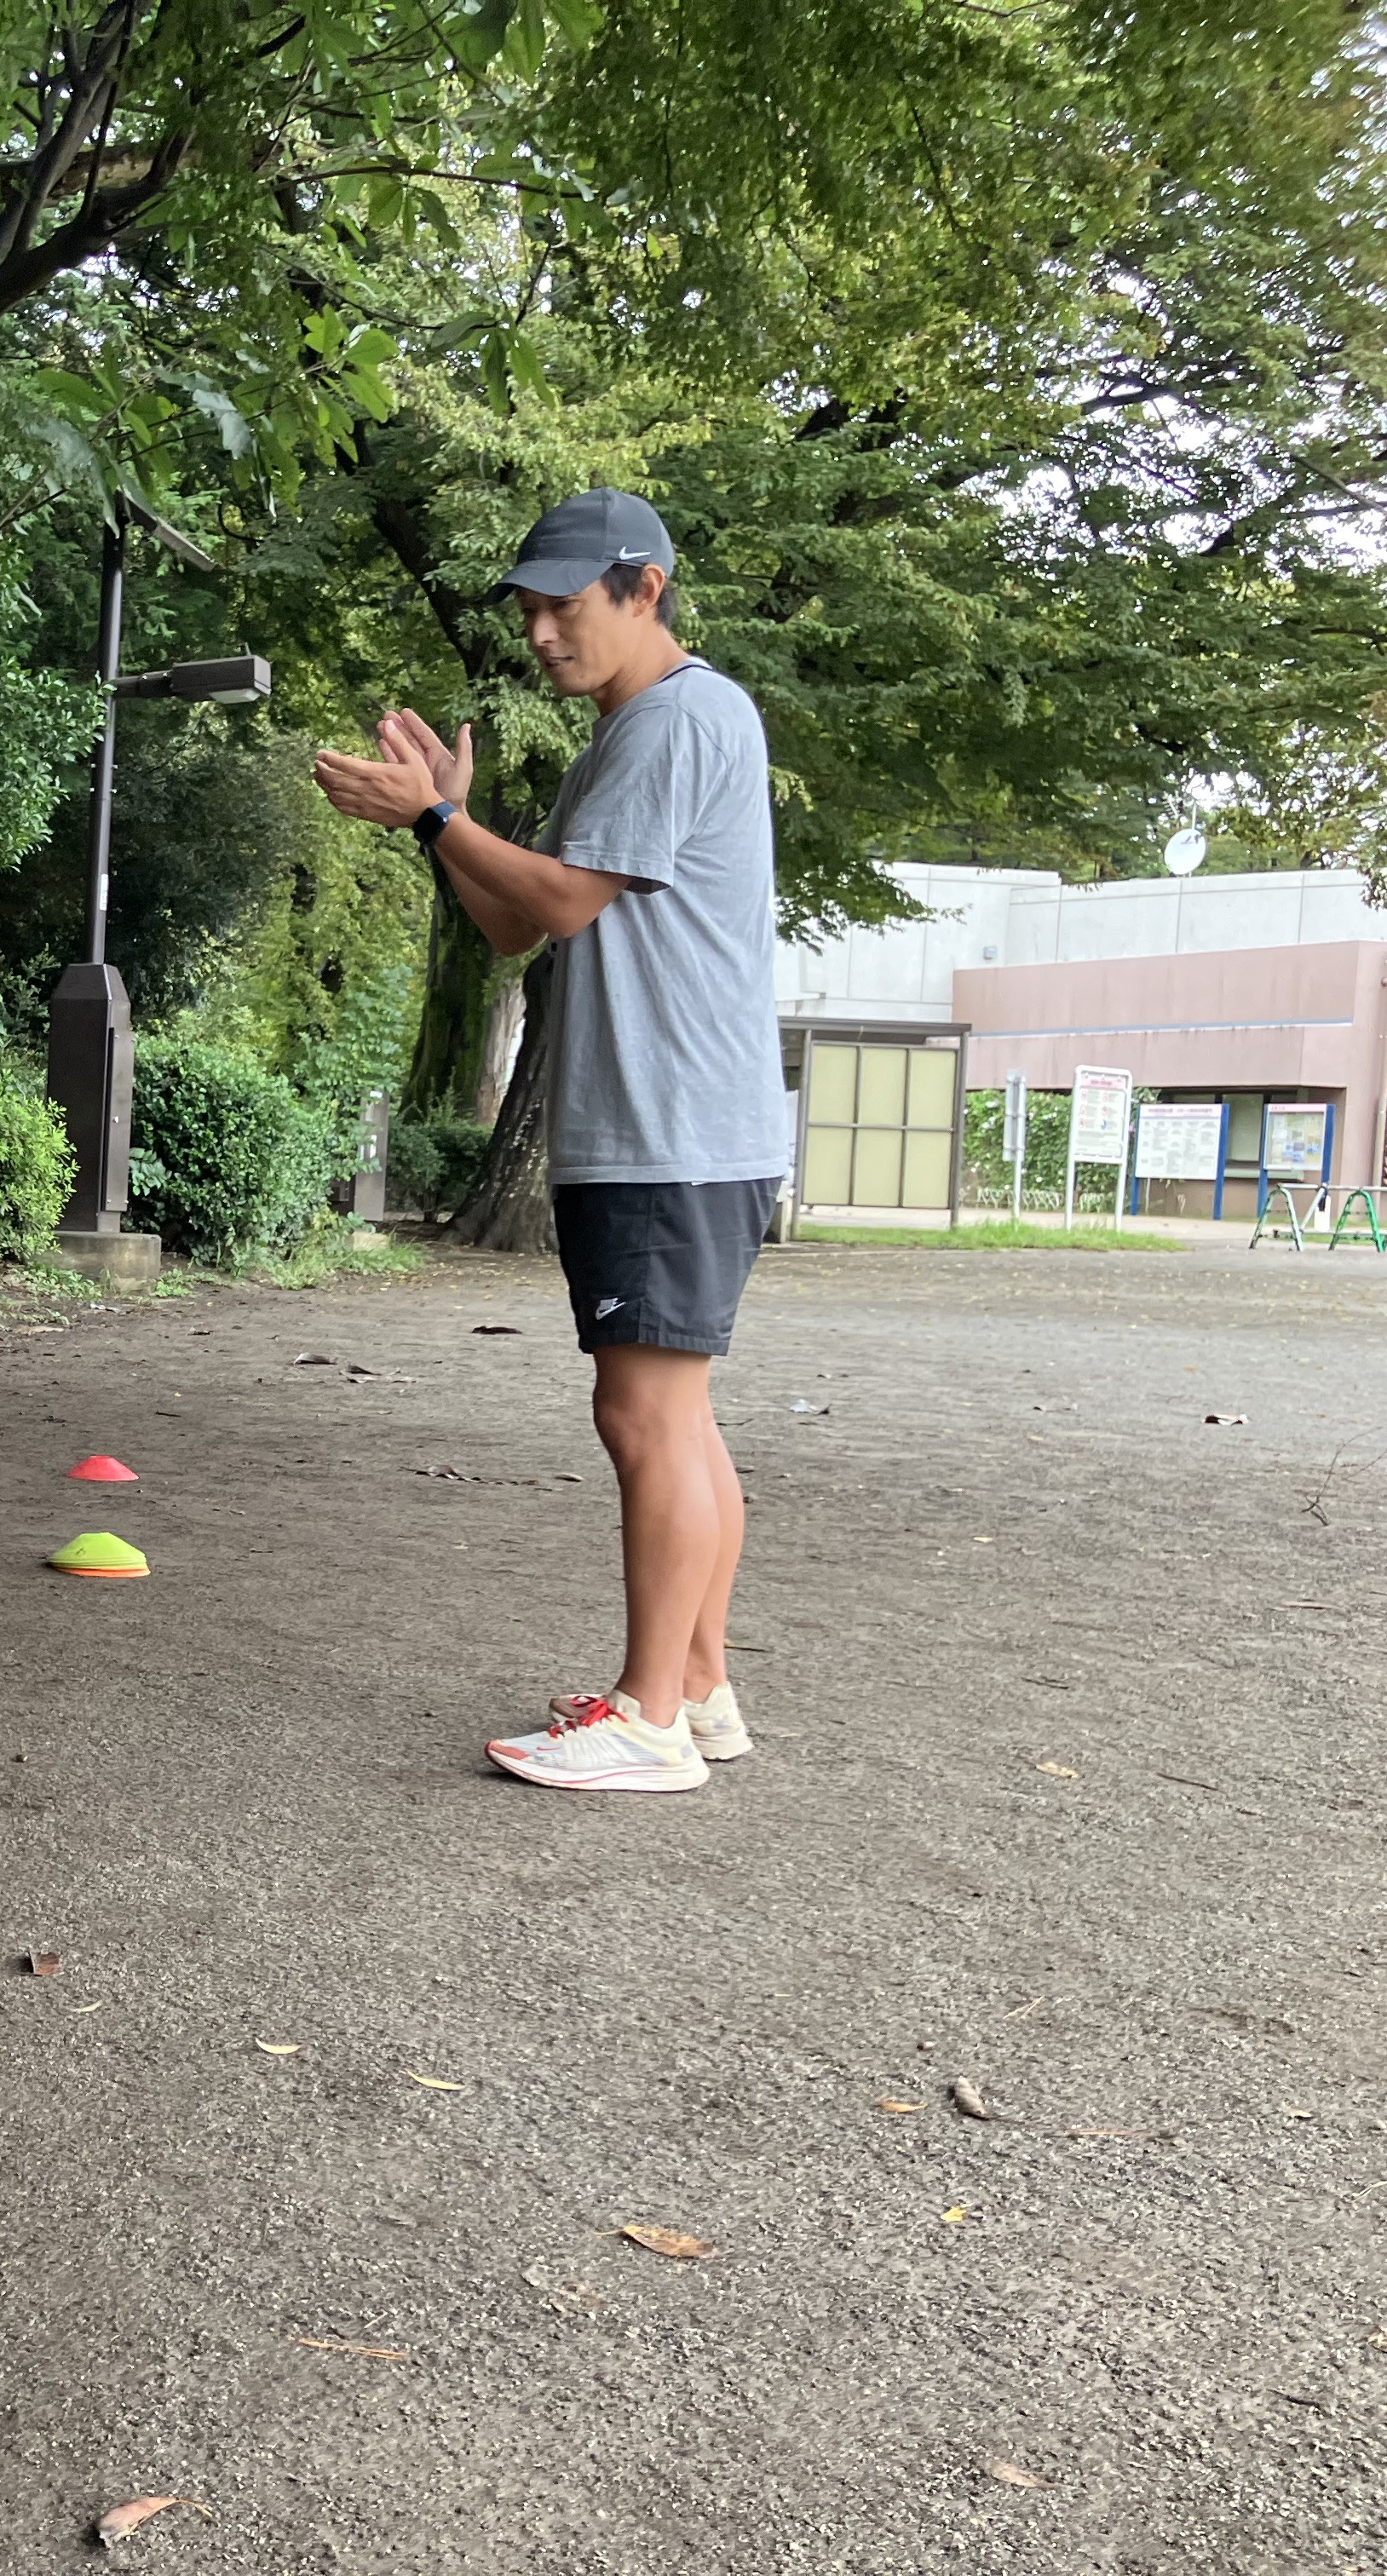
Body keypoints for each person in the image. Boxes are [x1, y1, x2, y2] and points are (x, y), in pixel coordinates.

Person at [311, 487, 786, 1795]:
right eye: (526, 609)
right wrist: (449, 826)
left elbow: (564, 902)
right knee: (676, 1419)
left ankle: (649, 1720)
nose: (537, 632)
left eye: (562, 605)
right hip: (676, 1129)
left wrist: (432, 819)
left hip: (672, 1130)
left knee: (644, 1417)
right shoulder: (631, 734)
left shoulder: (682, 716)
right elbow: (516, 925)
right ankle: (698, 1691)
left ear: (645, 588)